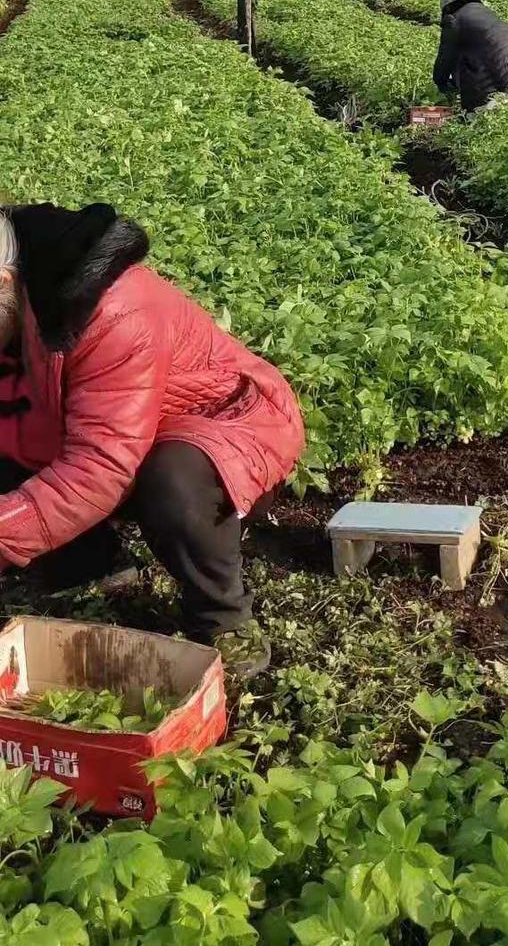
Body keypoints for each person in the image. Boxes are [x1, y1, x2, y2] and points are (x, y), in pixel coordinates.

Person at [0, 202, 304, 670]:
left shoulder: (112, 308)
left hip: (219, 427)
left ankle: (222, 617)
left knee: (173, 478)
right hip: (106, 427)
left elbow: (99, 467)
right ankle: (90, 567)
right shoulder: (17, 305)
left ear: (4, 284)